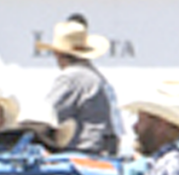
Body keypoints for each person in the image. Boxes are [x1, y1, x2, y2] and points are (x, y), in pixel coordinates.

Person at [35, 19, 118, 155]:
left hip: (82, 156)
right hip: (101, 153)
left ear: (57, 54)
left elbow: (46, 115)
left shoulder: (72, 78)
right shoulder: (96, 77)